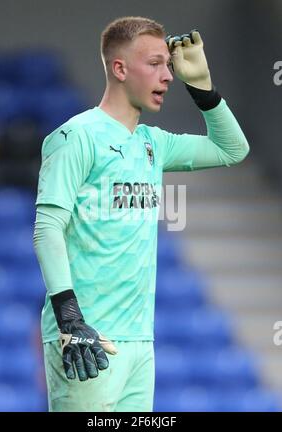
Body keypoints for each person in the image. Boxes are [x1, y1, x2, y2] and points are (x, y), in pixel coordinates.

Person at [33, 16, 249, 412]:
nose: (168, 75)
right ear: (119, 68)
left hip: (138, 340)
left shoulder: (153, 143)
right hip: (86, 337)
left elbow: (232, 149)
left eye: (169, 64)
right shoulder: (75, 136)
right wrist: (69, 319)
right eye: (155, 64)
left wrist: (202, 87)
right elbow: (47, 228)